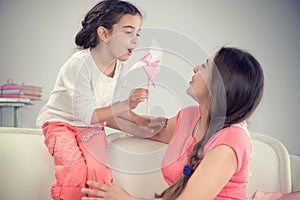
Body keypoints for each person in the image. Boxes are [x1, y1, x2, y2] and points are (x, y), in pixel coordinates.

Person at [81, 46, 265, 200]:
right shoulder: (190, 117)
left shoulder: (231, 141)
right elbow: (144, 128)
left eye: (204, 66)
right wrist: (83, 111)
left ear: (220, 83)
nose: (195, 68)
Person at [36, 1, 167, 200]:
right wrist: (127, 104)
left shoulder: (120, 68)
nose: (135, 40)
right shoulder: (80, 64)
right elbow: (87, 114)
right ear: (104, 34)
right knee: (74, 170)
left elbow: (107, 111)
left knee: (100, 172)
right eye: (128, 32)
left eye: (137, 33)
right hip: (62, 124)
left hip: (92, 126)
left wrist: (138, 120)